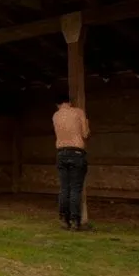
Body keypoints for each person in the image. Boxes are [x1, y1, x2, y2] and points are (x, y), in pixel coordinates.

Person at [52, 93, 90, 231]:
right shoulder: (78, 112)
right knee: (75, 188)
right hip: (76, 152)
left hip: (61, 152)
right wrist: (87, 123)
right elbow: (85, 134)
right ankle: (75, 220)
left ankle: (63, 218)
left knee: (64, 188)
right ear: (69, 101)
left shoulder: (55, 116)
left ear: (58, 104)